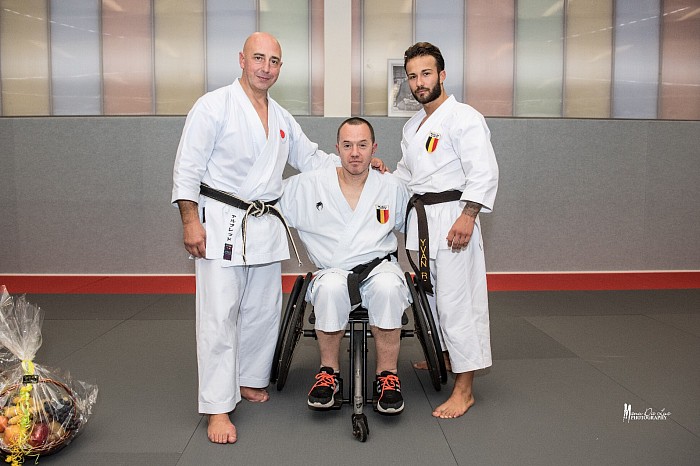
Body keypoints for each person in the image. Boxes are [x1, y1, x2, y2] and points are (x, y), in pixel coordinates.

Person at [171, 32, 384, 444]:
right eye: (258, 58)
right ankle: (217, 407)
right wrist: (190, 220)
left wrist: (357, 163)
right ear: (242, 60)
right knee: (219, 315)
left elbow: (312, 158)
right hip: (222, 221)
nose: (265, 68)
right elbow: (187, 168)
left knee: (262, 310)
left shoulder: (282, 118)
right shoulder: (213, 106)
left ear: (280, 67)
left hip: (265, 224)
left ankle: (249, 378)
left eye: (273, 61)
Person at [393, 42, 499, 419]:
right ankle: (445, 356)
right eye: (412, 76)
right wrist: (382, 175)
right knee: (432, 296)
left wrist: (469, 215)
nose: (419, 82)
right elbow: (407, 175)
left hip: (454, 216)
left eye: (426, 73)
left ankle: (465, 389)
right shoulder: (412, 126)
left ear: (442, 75)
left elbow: (483, 171)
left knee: (457, 303)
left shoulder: (464, 117)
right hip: (424, 222)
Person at [279, 117, 410, 415]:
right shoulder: (309, 185)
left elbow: (414, 223)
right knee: (329, 288)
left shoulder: (391, 186)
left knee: (389, 287)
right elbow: (267, 197)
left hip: (379, 268)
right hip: (332, 269)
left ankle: (387, 375)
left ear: (374, 148)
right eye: (348, 145)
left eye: (362, 145)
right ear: (336, 148)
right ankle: (329, 372)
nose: (355, 153)